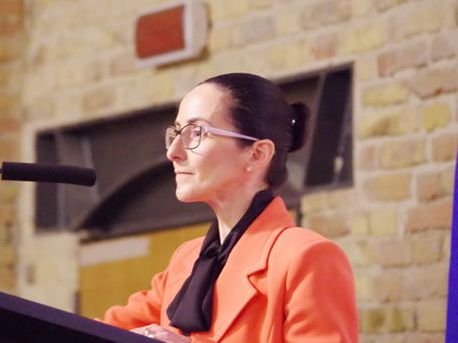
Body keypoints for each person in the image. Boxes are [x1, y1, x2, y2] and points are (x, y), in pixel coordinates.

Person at [100, 73, 359, 342]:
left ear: (257, 154)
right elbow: (96, 332)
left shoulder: (306, 256)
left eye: (196, 133)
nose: (173, 152)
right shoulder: (186, 260)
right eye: (176, 133)